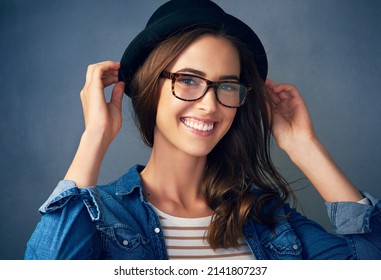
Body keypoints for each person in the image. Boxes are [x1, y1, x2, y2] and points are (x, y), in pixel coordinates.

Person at [25, 0, 381, 260]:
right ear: (151, 87)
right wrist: (94, 139)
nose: (210, 105)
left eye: (227, 85)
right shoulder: (99, 216)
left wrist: (305, 147)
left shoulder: (267, 218)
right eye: (189, 80)